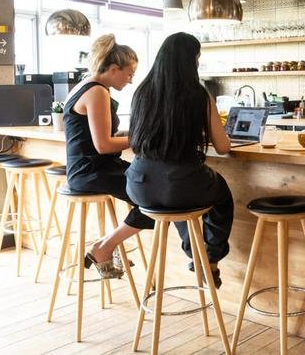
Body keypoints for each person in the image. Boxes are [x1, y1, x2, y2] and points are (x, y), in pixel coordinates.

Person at [125, 32, 233, 287]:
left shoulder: (142, 92)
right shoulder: (198, 94)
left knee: (179, 199)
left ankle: (196, 253)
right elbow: (223, 146)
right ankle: (210, 260)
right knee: (220, 196)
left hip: (138, 185)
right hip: (179, 184)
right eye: (196, 58)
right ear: (190, 61)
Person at [64, 34, 154, 279]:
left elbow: (97, 136)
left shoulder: (85, 86)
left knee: (152, 191)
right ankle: (104, 247)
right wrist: (143, 139)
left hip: (86, 169)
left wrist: (133, 133)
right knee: (157, 198)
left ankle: (106, 246)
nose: (131, 80)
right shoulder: (98, 92)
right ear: (114, 69)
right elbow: (103, 145)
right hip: (93, 171)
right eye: (129, 73)